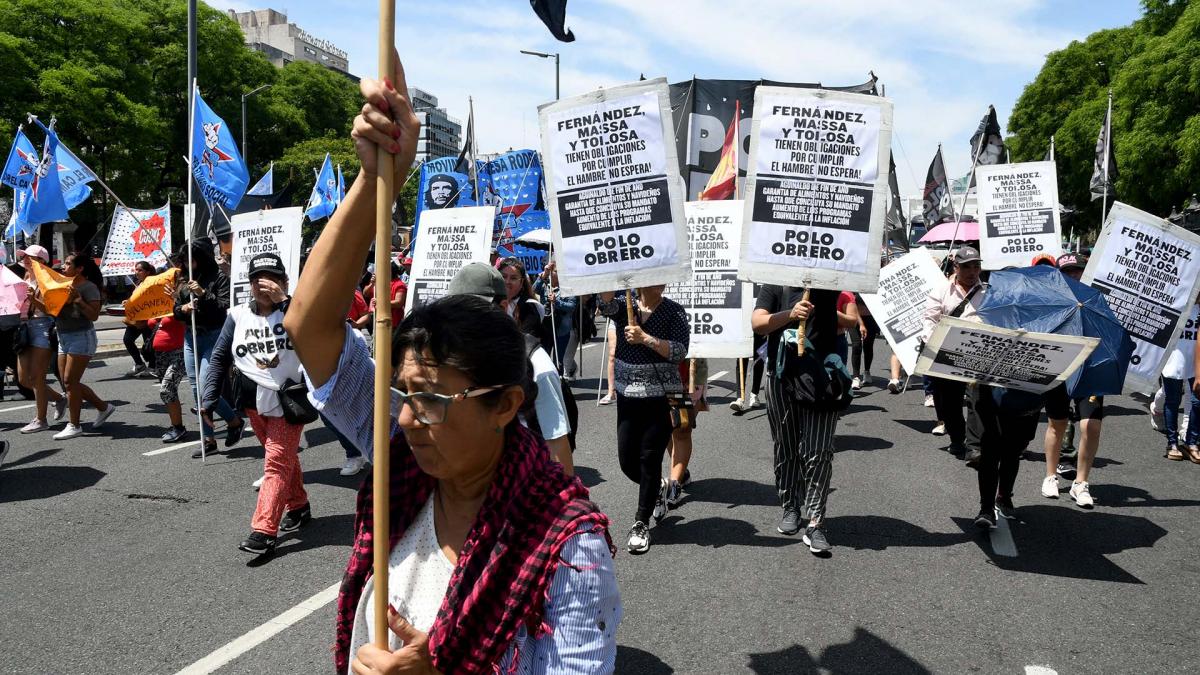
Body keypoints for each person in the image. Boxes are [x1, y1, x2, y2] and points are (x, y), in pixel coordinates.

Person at [285, 58, 619, 672]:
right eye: (405, 393)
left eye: (434, 398)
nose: (408, 419)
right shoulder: (402, 467)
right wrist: (376, 178)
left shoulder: (568, 546)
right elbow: (308, 325)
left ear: (505, 404)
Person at [204, 253, 311, 555]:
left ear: (284, 282)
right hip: (253, 402)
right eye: (257, 279)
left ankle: (264, 530)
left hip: (289, 401)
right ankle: (300, 506)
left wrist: (286, 301)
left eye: (273, 278)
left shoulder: (296, 311)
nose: (264, 285)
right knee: (284, 456)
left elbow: (315, 332)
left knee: (275, 463)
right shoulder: (237, 315)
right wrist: (209, 396)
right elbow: (220, 357)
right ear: (249, 284)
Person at [448, 262, 576, 476]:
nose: (463, 320)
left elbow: (557, 445)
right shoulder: (450, 361)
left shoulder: (536, 365)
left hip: (523, 488)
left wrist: (567, 505)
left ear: (501, 307)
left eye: (473, 310)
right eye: (455, 310)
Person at [753, 285, 849, 555]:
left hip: (823, 376)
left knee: (818, 451)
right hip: (781, 376)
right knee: (786, 445)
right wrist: (790, 314)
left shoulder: (832, 281)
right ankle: (791, 506)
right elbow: (758, 323)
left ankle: (816, 522)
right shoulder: (776, 283)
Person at [598, 285, 689, 554]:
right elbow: (604, 303)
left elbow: (679, 351)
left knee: (649, 458)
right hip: (628, 397)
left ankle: (641, 522)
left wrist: (646, 338)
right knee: (627, 461)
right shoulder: (625, 306)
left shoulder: (674, 311)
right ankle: (656, 488)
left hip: (663, 396)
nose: (655, 282)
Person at [1039, 253, 1109, 506]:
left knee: (1091, 425)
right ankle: (1050, 475)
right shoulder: (1050, 300)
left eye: (1077, 271)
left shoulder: (1097, 299)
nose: (1073, 276)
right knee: (1057, 423)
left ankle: (1081, 483)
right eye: (1067, 272)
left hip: (1090, 369)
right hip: (1060, 367)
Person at [174, 242, 245, 458]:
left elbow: (224, 308)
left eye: (192, 259)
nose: (188, 264)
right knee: (197, 390)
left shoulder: (219, 277)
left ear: (201, 257)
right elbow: (175, 310)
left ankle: (233, 421)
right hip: (191, 337)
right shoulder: (182, 279)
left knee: (206, 388)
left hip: (214, 335)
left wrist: (204, 294)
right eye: (185, 260)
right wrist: (183, 308)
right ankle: (210, 438)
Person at [922, 245, 985, 461]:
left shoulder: (988, 292)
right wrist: (936, 345)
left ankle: (974, 445)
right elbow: (930, 321)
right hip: (947, 353)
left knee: (978, 399)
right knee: (948, 401)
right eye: (967, 266)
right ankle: (958, 438)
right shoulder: (940, 291)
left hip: (977, 354)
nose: (972, 271)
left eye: (976, 266)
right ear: (956, 267)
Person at [52, 253, 116, 440]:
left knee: (70, 382)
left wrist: (78, 300)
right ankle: (104, 407)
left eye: (67, 263)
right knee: (68, 383)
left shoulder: (89, 288)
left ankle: (74, 425)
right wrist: (35, 300)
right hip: (63, 336)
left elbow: (94, 316)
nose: (63, 266)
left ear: (79, 269)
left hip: (81, 336)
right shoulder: (62, 285)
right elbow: (52, 311)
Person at [15, 246, 67, 434]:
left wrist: (33, 300)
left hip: (42, 327)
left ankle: (40, 419)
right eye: (26, 256)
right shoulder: (24, 278)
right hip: (24, 327)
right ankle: (60, 399)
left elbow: (52, 310)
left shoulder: (48, 280)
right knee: (23, 379)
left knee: (37, 377)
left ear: (43, 261)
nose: (27, 259)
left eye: (32, 257)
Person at [666, 358, 707, 507]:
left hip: (690, 372)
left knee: (681, 429)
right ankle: (680, 472)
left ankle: (674, 483)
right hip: (657, 372)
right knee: (668, 426)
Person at [149, 311, 188, 443]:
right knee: (170, 394)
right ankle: (176, 426)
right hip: (160, 355)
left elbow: (185, 320)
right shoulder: (156, 305)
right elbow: (138, 324)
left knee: (167, 390)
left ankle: (178, 427)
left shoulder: (176, 302)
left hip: (178, 352)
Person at [534, 260, 576, 373]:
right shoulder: (544, 284)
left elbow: (572, 306)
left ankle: (559, 382)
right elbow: (533, 290)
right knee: (545, 358)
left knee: (558, 360)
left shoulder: (567, 287)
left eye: (554, 271)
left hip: (562, 329)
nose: (552, 273)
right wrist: (544, 274)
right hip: (546, 328)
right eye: (550, 271)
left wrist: (556, 302)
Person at [121, 261, 157, 377]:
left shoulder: (152, 283)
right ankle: (139, 364)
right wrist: (128, 301)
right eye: (136, 270)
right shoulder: (139, 283)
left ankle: (153, 367)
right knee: (127, 340)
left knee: (149, 344)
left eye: (140, 270)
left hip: (147, 319)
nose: (137, 272)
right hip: (136, 319)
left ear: (147, 272)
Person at [498, 257, 544, 340]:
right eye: (503, 276)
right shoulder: (490, 302)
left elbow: (525, 342)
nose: (507, 281)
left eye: (513, 278)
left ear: (521, 282)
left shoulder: (530, 307)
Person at [848, 292, 880, 390]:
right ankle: (856, 377)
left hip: (871, 319)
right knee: (856, 345)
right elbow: (852, 304)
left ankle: (867, 371)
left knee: (868, 345)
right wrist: (861, 323)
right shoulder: (854, 287)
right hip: (855, 318)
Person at [730, 334, 767, 412]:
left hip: (758, 329)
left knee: (759, 360)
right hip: (743, 330)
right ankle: (740, 398)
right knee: (741, 360)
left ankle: (754, 394)